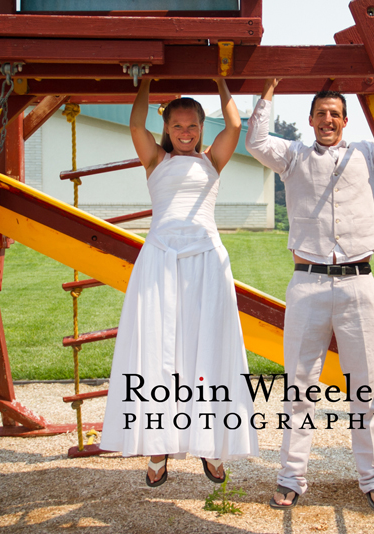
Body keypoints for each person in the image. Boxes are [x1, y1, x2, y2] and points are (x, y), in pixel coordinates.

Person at [245, 79, 374, 512]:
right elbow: (255, 140)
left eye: (335, 113)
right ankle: (291, 477)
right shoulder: (294, 156)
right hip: (308, 282)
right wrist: (270, 87)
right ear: (311, 119)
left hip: (359, 282)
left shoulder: (370, 153)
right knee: (299, 387)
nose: (328, 120)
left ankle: (373, 477)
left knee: (364, 387)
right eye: (321, 113)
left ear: (345, 119)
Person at [101, 78, 258, 487]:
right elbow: (137, 126)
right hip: (160, 260)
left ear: (201, 129)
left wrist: (221, 82)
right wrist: (146, 83)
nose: (185, 133)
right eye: (177, 127)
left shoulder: (212, 161)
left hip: (206, 260)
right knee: (158, 349)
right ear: (166, 130)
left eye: (192, 127)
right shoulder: (156, 161)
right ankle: (158, 445)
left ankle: (209, 443)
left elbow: (235, 126)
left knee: (207, 345)